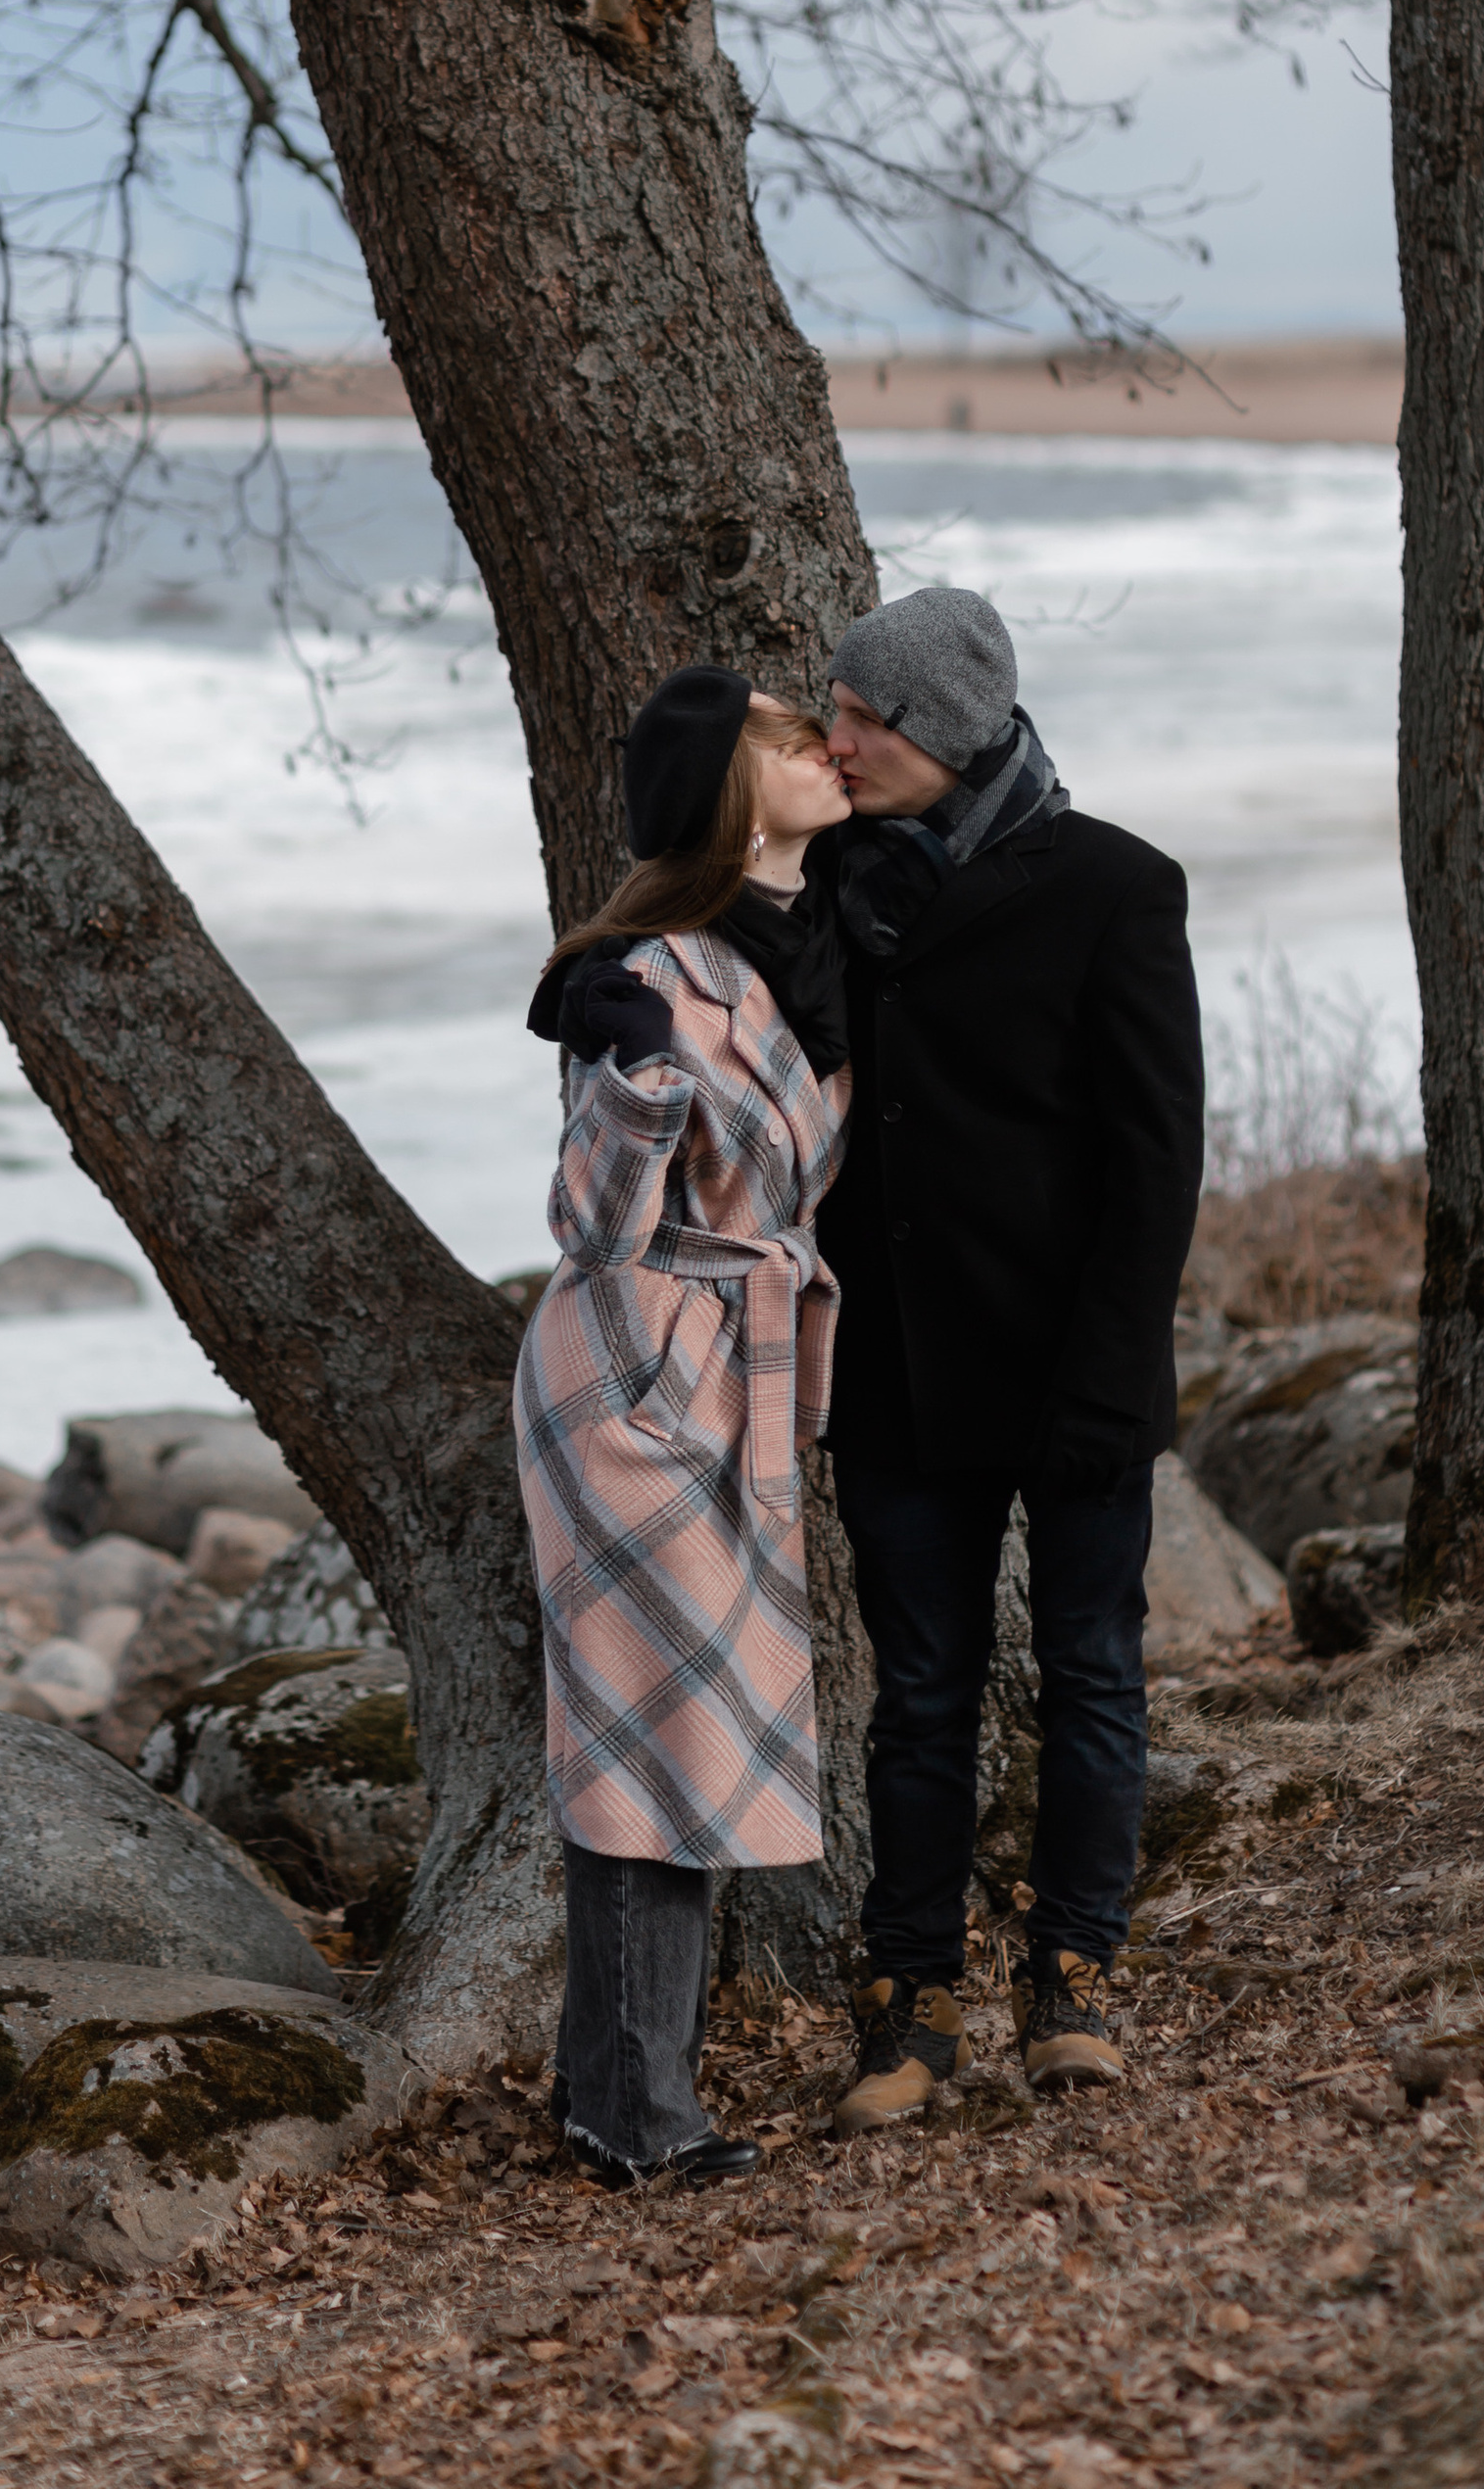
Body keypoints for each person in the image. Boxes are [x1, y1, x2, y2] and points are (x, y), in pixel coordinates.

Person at [812, 586, 1203, 2129]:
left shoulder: (1115, 886)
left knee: (1093, 1676)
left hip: (1072, 1367)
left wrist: (1109, 1381)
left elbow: (1154, 1160)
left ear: (947, 733)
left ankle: (1075, 1977)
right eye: (835, 711)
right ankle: (910, 2004)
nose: (836, 740)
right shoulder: (825, 882)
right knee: (921, 1696)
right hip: (899, 1369)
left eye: (863, 717)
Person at [516, 664, 854, 2189]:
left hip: (740, 1369)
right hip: (635, 1376)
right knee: (649, 1730)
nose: (822, 746)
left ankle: (613, 2091)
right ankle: (639, 2114)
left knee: (677, 1727)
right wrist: (638, 1070)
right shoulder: (649, 975)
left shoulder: (818, 943)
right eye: (783, 736)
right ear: (730, 787)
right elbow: (592, 1225)